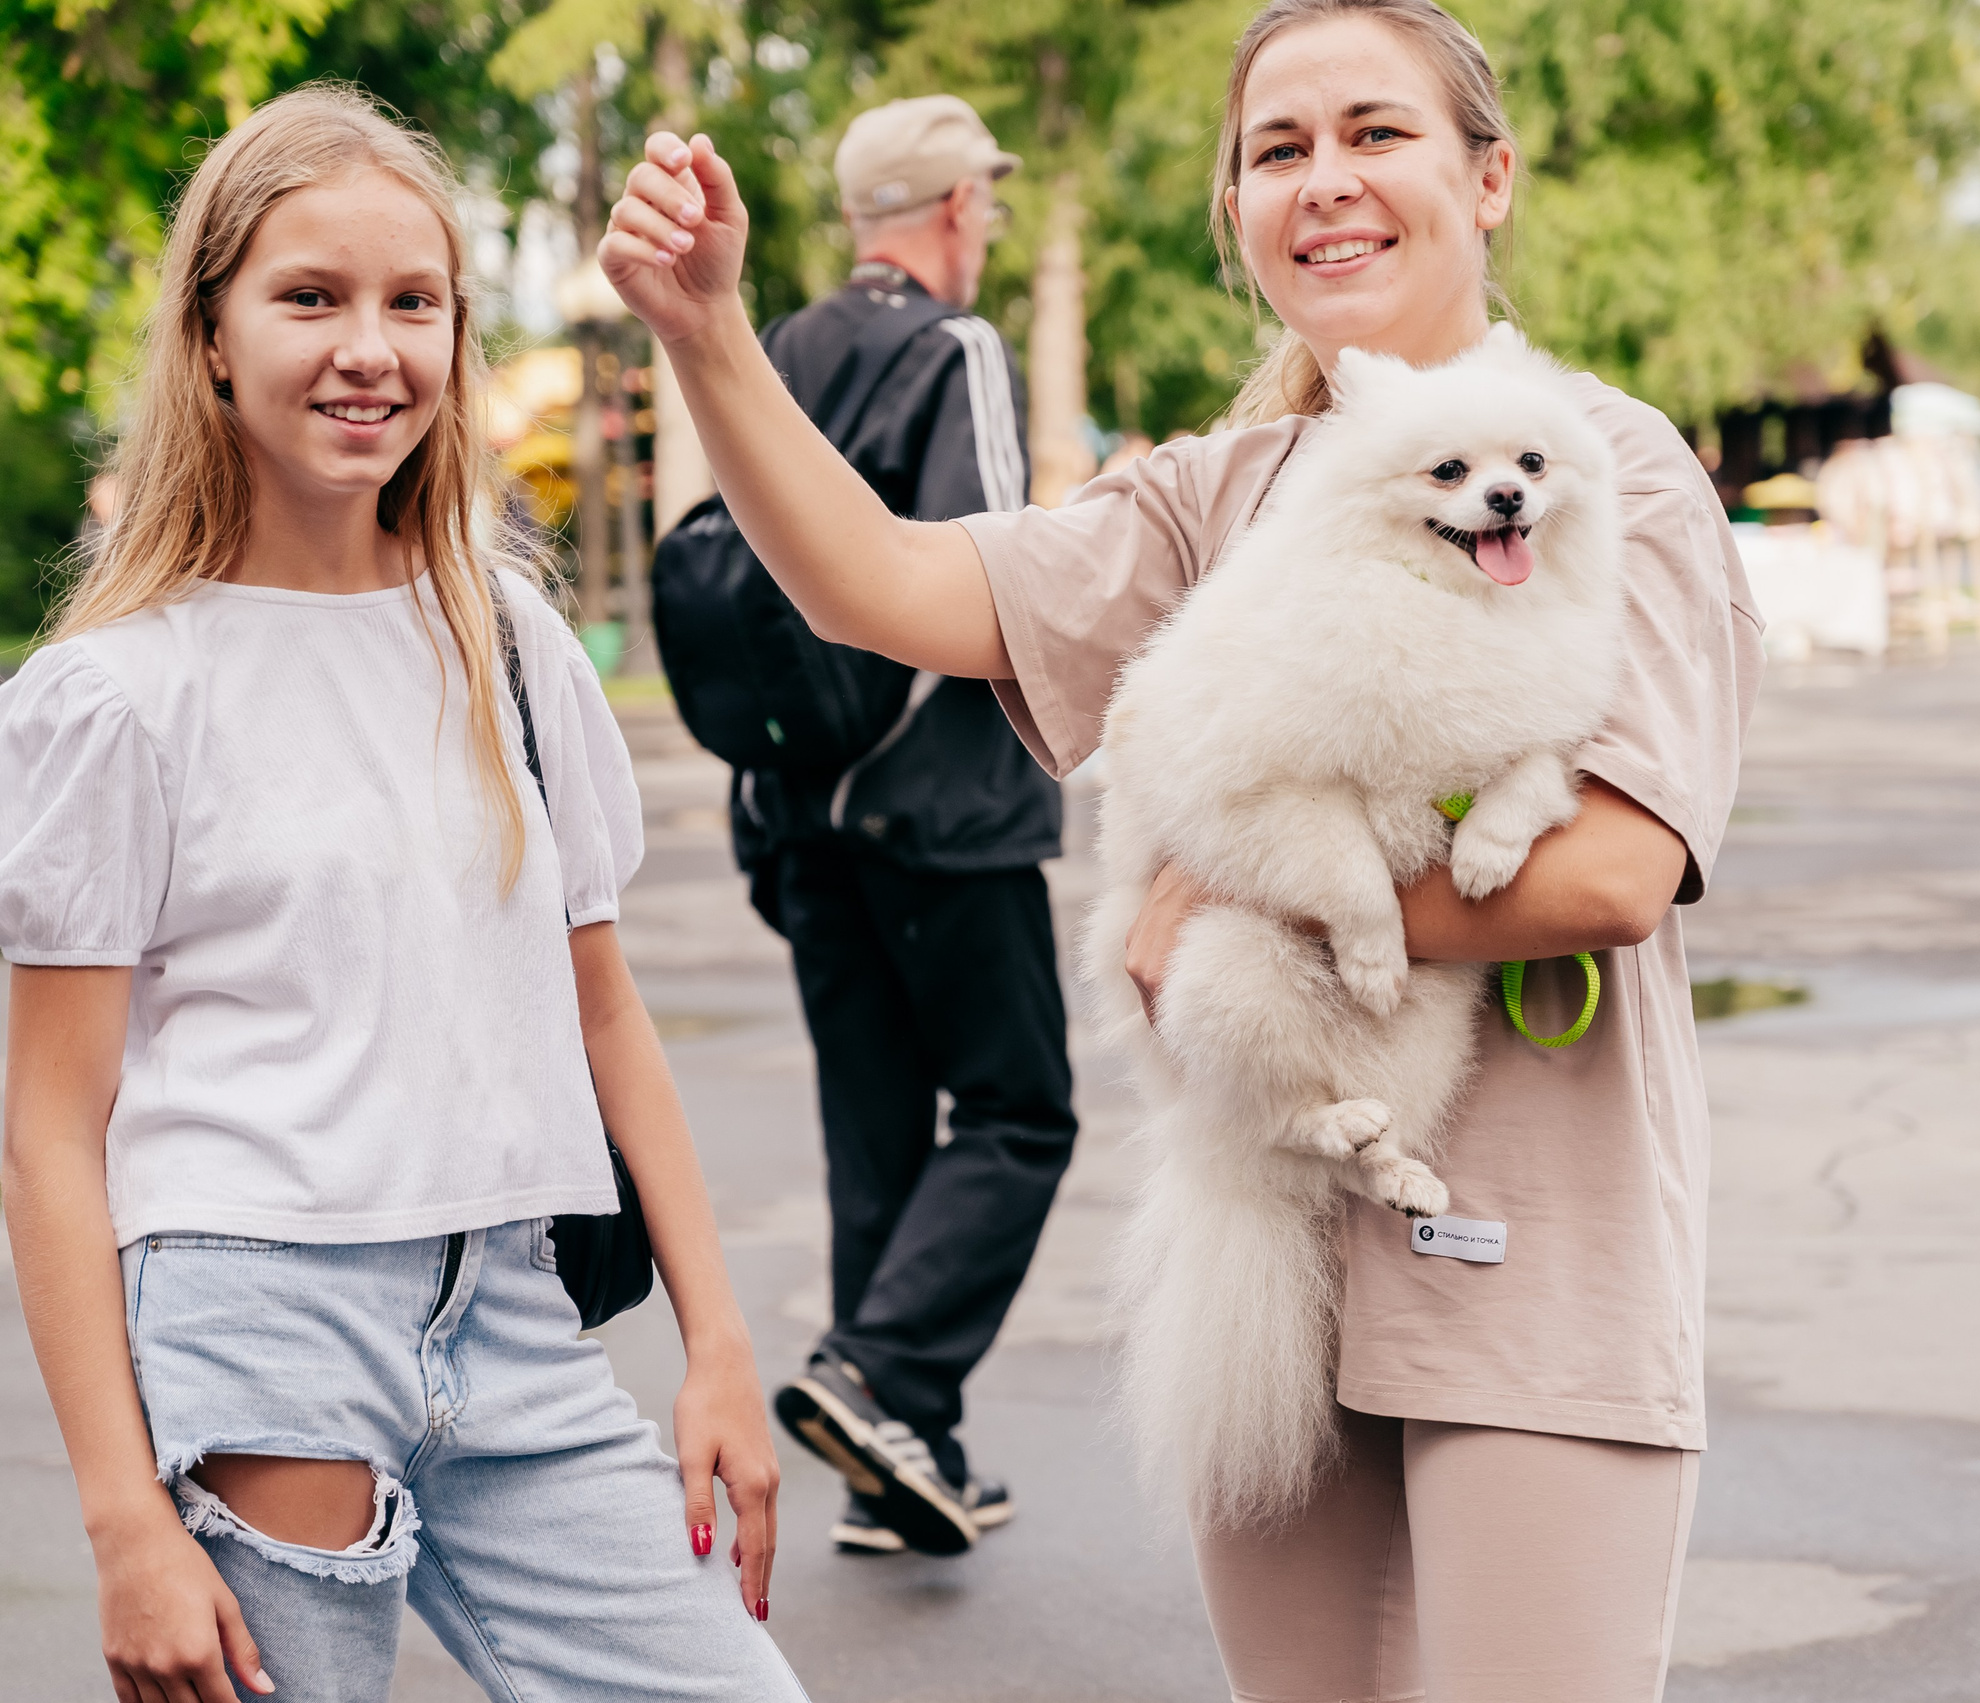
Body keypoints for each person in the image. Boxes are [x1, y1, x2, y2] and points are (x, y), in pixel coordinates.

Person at [605, 0, 1760, 1695]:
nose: (1325, 180)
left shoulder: (1602, 469)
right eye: (1278, 150)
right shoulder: (1216, 495)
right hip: (1269, 1266)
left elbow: (1608, 874)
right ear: (1237, 209)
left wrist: (1237, 876)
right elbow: (879, 584)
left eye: (1376, 132)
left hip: (1529, 1280)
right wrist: (709, 335)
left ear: (1491, 177)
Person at [0, 87, 803, 1703]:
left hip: (511, 1309)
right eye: (310, 298)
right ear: (211, 338)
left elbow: (603, 1012)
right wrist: (123, 1521)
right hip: (257, 1314)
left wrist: (718, 1345)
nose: (370, 350)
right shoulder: (118, 695)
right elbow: (48, 1127)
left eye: (412, 304)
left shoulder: (507, 642)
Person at [741, 93, 1075, 1560]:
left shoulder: (781, 349)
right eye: (984, 199)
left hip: (802, 816)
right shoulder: (958, 349)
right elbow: (986, 571)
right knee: (1018, 1109)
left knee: (874, 1131)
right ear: (953, 208)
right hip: (943, 810)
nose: (986, 222)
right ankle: (882, 1377)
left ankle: (898, 1456)